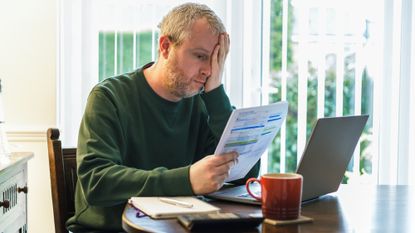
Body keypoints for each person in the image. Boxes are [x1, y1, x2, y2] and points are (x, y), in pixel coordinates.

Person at [66, 3, 259, 232]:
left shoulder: (202, 101)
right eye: (200, 56)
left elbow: (244, 174)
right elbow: (96, 181)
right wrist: (186, 180)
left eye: (216, 60)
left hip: (178, 227)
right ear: (166, 46)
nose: (208, 70)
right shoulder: (109, 97)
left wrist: (216, 93)